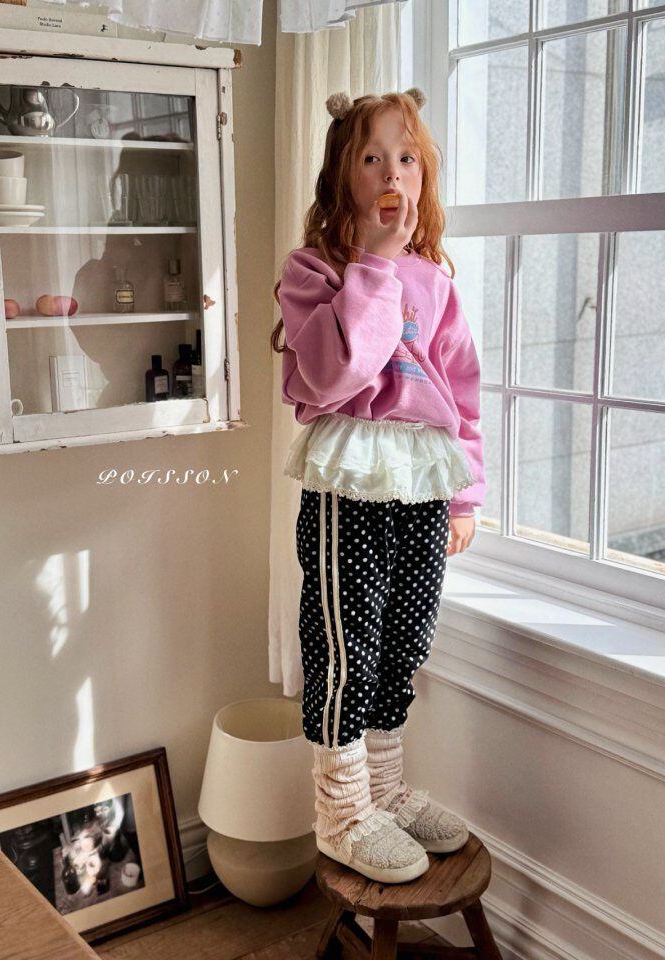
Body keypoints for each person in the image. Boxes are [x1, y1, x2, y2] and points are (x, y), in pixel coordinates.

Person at [270, 88, 485, 885]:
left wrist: (465, 496)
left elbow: (462, 392)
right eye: (372, 158)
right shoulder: (315, 272)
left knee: (406, 637)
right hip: (351, 475)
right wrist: (374, 266)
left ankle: (386, 792)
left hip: (423, 474)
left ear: (423, 176)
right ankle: (341, 813)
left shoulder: (437, 281)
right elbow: (336, 373)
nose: (392, 173)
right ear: (343, 175)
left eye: (407, 158)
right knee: (345, 640)